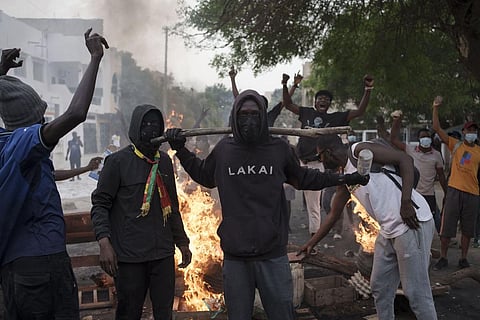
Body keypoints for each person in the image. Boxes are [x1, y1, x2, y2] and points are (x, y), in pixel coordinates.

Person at [164, 89, 368, 320]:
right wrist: (180, 149)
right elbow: (204, 175)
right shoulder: (224, 150)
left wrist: (343, 178)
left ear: (263, 116)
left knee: (282, 314)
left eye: (254, 114)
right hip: (235, 258)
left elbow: (305, 178)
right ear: (234, 117)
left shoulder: (278, 149)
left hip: (273, 256)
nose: (249, 120)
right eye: (243, 114)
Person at [0, 28, 108, 319]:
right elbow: (75, 114)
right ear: (33, 119)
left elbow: (49, 174)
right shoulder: (25, 142)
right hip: (42, 266)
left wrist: (85, 168)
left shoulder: (6, 142)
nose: (46, 119)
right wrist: (96, 58)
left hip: (15, 267)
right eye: (43, 115)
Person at [299, 134, 438, 320]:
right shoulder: (346, 177)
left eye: (320, 156)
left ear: (329, 152)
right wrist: (311, 244)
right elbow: (333, 215)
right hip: (388, 230)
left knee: (416, 293)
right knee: (379, 285)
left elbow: (405, 159)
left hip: (411, 222)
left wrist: (406, 202)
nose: (320, 161)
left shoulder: (358, 151)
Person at [90, 104, 192, 320]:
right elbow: (100, 204)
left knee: (164, 312)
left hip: (163, 254)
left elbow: (172, 206)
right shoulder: (117, 162)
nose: (151, 130)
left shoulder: (164, 161)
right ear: (135, 128)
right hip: (129, 258)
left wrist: (182, 242)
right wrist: (104, 242)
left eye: (155, 125)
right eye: (145, 125)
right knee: (129, 311)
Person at [282, 73, 374, 236]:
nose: (323, 100)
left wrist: (368, 89)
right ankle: (278, 228)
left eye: (326, 99)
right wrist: (289, 85)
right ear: (315, 101)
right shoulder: (306, 113)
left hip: (316, 164)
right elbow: (288, 104)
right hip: (298, 163)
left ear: (329, 104)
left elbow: (359, 111)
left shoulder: (335, 118)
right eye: (320, 98)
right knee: (279, 189)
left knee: (314, 204)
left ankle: (314, 235)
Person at [431, 96, 480, 270]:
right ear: (464, 132)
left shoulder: (479, 151)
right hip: (454, 191)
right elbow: (436, 128)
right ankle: (443, 257)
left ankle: (463, 258)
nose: (472, 133)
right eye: (469, 130)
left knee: (467, 229)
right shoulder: (456, 145)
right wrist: (435, 107)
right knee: (447, 227)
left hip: (473, 193)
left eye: (475, 131)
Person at [390, 110, 447, 232]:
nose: (425, 139)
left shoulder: (436, 155)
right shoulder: (410, 150)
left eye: (427, 137)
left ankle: (428, 245)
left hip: (429, 194)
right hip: (414, 193)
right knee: (412, 220)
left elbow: (441, 175)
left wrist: (446, 192)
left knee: (428, 221)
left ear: (430, 139)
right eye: (423, 137)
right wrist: (397, 121)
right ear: (418, 139)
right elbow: (394, 139)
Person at [229, 66, 303, 126]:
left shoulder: (270, 116)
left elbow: (286, 101)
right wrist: (232, 79)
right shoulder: (249, 116)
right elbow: (238, 100)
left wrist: (292, 85)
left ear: (265, 108)